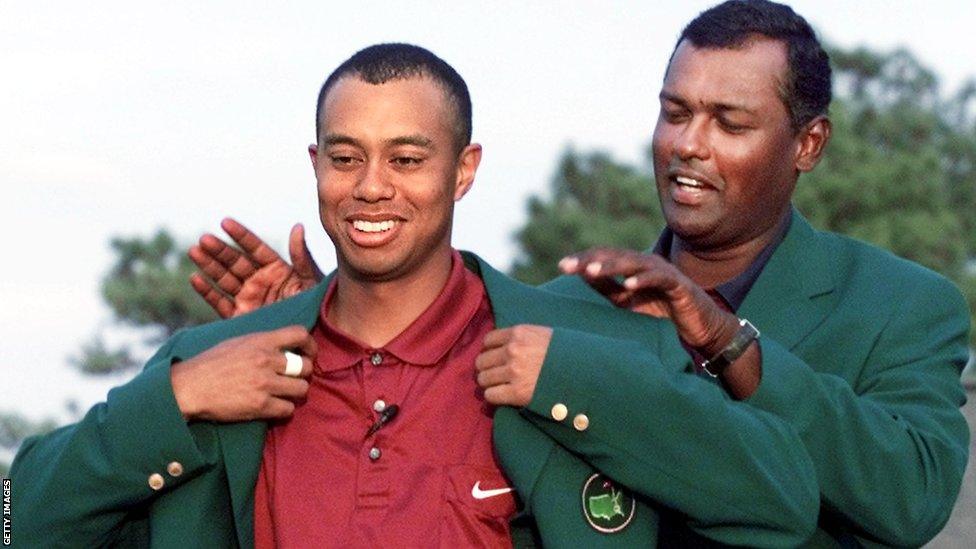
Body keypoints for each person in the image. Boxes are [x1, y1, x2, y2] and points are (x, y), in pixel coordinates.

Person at [189, 2, 972, 547]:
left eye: (729, 123)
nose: (688, 144)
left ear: (808, 143)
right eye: (675, 112)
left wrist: (730, 342)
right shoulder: (561, 311)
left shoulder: (901, 304)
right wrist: (335, 326)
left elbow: (908, 498)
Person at [11, 43, 820, 548]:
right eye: (345, 157)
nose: (371, 189)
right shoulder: (219, 369)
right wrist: (178, 397)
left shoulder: (592, 351)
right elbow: (19, 519)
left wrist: (584, 386)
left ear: (464, 169)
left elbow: (782, 501)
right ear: (315, 163)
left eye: (406, 159)